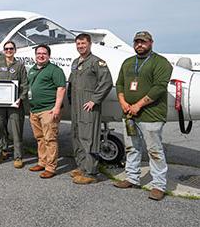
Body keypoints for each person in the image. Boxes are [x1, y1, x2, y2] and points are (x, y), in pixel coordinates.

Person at [113, 31, 172, 201]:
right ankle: (132, 178)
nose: (139, 44)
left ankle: (158, 185)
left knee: (155, 151)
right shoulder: (128, 62)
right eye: (137, 42)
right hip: (130, 114)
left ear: (151, 43)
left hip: (151, 116)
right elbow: (120, 84)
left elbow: (159, 87)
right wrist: (124, 103)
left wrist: (138, 105)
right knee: (132, 147)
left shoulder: (160, 62)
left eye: (143, 42)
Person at [68, 33, 113, 184]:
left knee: (89, 138)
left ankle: (91, 172)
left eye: (83, 44)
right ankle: (82, 166)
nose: (80, 46)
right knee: (77, 136)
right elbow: (71, 83)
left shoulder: (96, 62)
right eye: (78, 44)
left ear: (90, 44)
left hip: (88, 106)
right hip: (75, 106)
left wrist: (94, 100)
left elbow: (106, 82)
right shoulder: (76, 62)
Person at [28, 44, 66, 179]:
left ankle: (51, 167)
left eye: (44, 53)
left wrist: (56, 108)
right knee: (40, 138)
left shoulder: (54, 70)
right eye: (38, 53)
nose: (41, 55)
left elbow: (61, 88)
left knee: (50, 138)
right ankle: (42, 162)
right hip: (35, 110)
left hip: (48, 110)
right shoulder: (32, 70)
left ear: (48, 55)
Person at [0, 41, 28, 168]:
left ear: (15, 50)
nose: (8, 51)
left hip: (15, 104)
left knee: (16, 131)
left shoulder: (20, 66)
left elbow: (24, 85)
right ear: (3, 50)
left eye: (11, 49)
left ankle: (18, 157)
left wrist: (21, 99)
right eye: (6, 49)